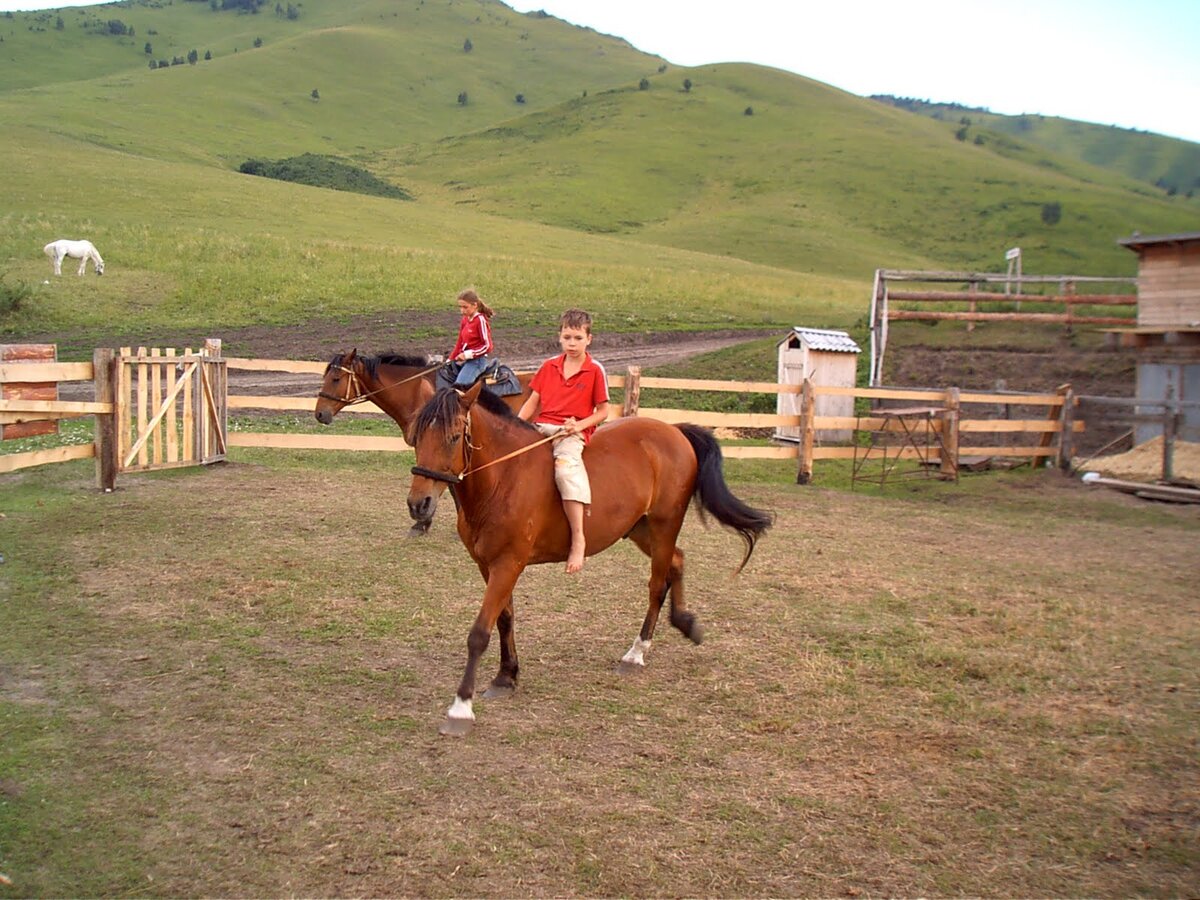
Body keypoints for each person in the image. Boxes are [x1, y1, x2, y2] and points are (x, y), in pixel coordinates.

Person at [518, 308, 610, 574]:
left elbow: (603, 411)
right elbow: (532, 401)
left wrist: (578, 426)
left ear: (588, 339)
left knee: (565, 471)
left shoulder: (594, 370)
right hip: (541, 426)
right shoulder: (549, 366)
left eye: (578, 338)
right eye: (567, 337)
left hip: (571, 432)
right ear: (560, 337)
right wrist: (516, 426)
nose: (572, 343)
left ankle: (578, 538)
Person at [446, 288, 496, 389]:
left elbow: (487, 346)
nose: (462, 311)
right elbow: (460, 342)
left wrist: (468, 354)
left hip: (477, 361)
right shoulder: (465, 319)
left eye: (465, 307)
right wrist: (450, 360)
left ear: (475, 305)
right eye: (460, 307)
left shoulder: (480, 320)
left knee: (458, 389)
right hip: (467, 360)